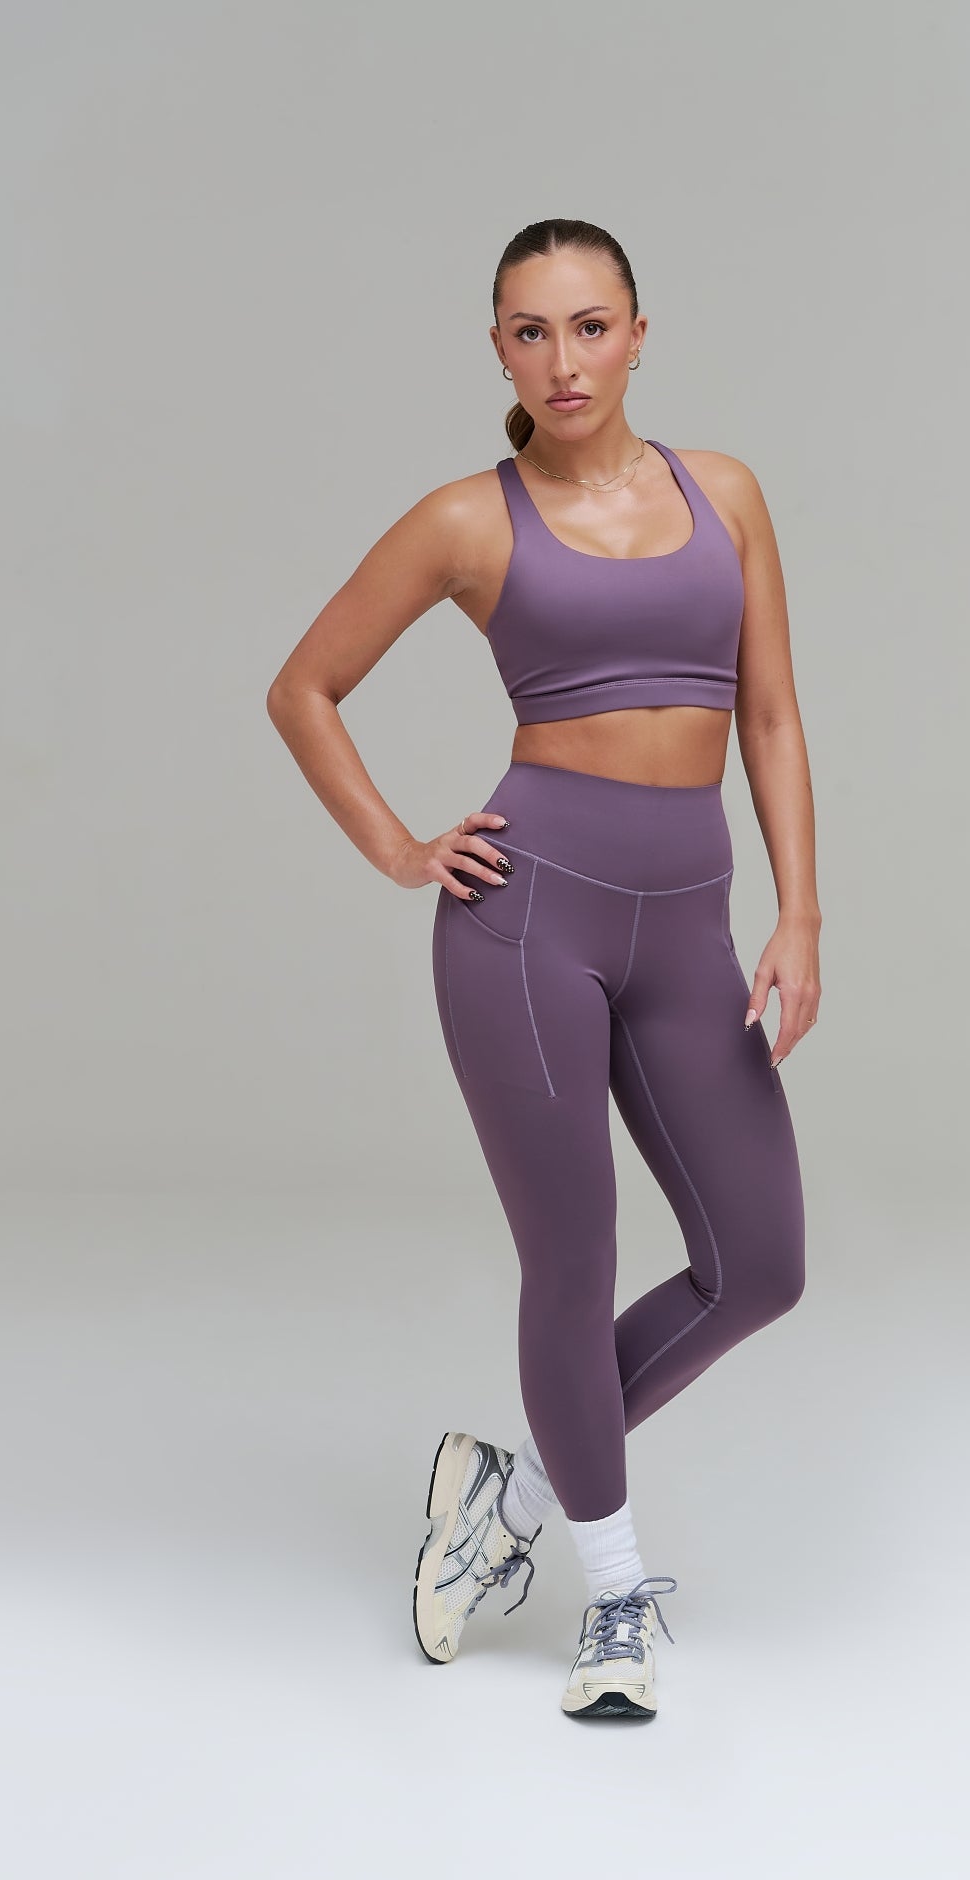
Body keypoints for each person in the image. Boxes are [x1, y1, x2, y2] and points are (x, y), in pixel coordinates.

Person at [266, 217, 820, 1723]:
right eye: (530, 331)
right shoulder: (469, 519)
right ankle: (611, 1594)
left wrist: (800, 914)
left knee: (760, 1263)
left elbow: (770, 717)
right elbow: (304, 687)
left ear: (639, 334)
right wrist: (400, 850)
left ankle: (504, 1491)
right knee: (572, 1263)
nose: (563, 360)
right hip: (529, 925)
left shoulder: (726, 494)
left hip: (690, 922)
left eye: (589, 326)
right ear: (500, 351)